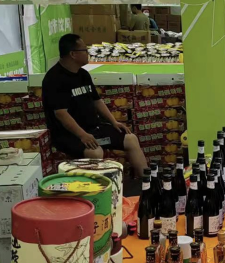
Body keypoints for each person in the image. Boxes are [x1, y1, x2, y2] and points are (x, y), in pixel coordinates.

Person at [42, 34, 149, 177]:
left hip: (94, 129)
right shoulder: (54, 79)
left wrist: (113, 121)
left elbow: (97, 101)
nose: (88, 53)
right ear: (73, 54)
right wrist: (83, 135)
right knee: (95, 152)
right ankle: (98, 195)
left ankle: (148, 183)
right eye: (84, 50)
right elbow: (61, 114)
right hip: (70, 135)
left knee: (130, 139)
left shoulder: (83, 75)